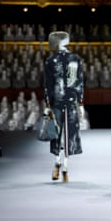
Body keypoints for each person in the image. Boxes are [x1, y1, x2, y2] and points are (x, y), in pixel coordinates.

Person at [43, 31, 85, 182]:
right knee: (68, 134)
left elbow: (48, 86)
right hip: (70, 101)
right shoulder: (74, 59)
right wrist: (80, 103)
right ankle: (62, 166)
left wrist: (47, 104)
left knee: (59, 134)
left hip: (58, 102)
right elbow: (79, 83)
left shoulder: (51, 61)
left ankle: (60, 165)